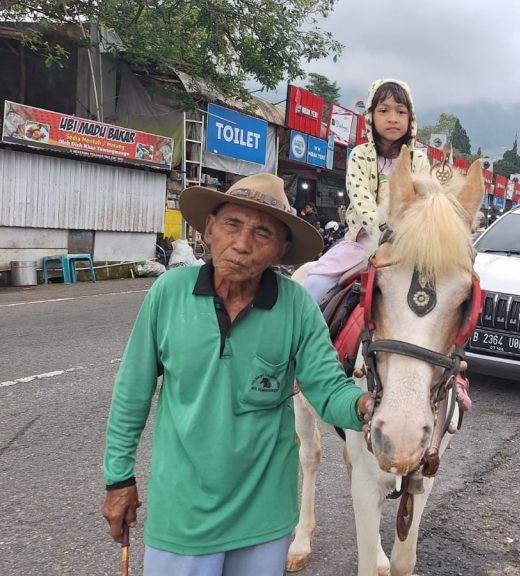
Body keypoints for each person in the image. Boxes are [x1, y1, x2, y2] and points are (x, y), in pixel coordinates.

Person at [101, 173, 374, 575]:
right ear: (209, 230)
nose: (243, 244)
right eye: (232, 225)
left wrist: (368, 406)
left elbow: (329, 390)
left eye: (262, 233)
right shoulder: (168, 293)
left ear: (281, 249)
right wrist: (118, 478)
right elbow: (132, 392)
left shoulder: (297, 307)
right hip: (182, 517)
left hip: (265, 520)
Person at [303, 78, 430, 302]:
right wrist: (383, 234)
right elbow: (362, 202)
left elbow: (424, 203)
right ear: (371, 116)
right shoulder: (360, 155)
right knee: (314, 283)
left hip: (408, 248)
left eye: (401, 112)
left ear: (411, 118)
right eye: (384, 110)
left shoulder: (418, 160)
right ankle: (306, 334)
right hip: (362, 243)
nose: (393, 118)